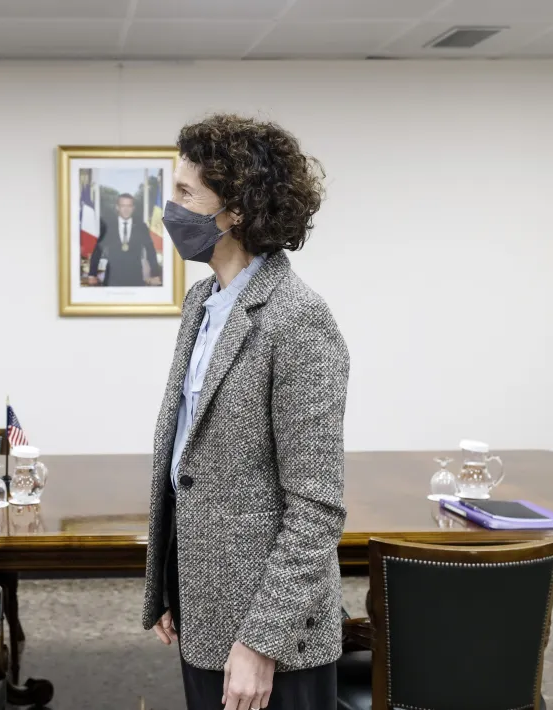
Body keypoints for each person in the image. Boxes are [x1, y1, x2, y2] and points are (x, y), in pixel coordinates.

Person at [142, 114, 348, 710]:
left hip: (269, 633)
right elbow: (191, 457)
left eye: (185, 193)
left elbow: (317, 506)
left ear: (234, 211)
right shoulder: (203, 301)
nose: (170, 207)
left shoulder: (298, 319)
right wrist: (171, 585)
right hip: (203, 603)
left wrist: (261, 642)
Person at [88, 192, 161, 287]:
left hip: (135, 279)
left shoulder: (141, 227)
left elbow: (150, 251)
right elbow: (98, 250)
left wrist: (155, 274)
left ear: (133, 208)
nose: (126, 209)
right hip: (112, 280)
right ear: (117, 207)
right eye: (123, 206)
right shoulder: (108, 227)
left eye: (129, 206)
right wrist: (92, 274)